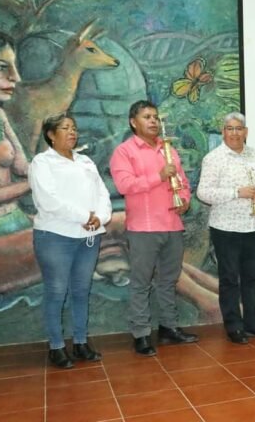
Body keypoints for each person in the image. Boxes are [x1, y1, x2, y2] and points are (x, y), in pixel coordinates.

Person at [110, 100, 197, 356]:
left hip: (172, 224)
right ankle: (141, 334)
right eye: (147, 117)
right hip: (143, 228)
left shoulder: (168, 150)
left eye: (155, 117)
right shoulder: (124, 152)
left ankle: (169, 328)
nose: (153, 121)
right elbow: (124, 185)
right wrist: (159, 176)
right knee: (141, 282)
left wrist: (184, 200)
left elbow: (182, 182)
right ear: (133, 122)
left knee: (169, 280)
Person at [30, 114, 111, 368]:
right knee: (56, 291)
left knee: (81, 290)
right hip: (55, 236)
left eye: (74, 128)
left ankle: (80, 342)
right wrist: (85, 216)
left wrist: (99, 217)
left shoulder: (85, 161)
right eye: (65, 128)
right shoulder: (42, 162)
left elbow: (103, 194)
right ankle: (56, 346)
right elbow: (48, 200)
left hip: (88, 237)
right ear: (51, 134)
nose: (72, 132)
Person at [196, 112, 255, 344]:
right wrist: (236, 193)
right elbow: (203, 192)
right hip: (226, 227)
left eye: (239, 128)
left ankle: (252, 322)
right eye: (230, 129)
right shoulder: (214, 158)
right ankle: (233, 325)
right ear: (223, 132)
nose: (235, 133)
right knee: (229, 278)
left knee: (253, 274)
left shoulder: (254, 155)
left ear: (246, 132)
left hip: (253, 224)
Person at [0, 28, 37, 296]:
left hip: (18, 219)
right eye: (1, 67)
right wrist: (35, 182)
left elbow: (23, 168)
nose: (16, 77)